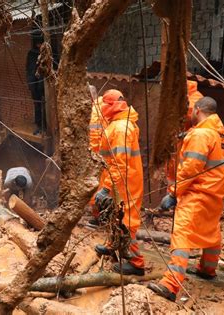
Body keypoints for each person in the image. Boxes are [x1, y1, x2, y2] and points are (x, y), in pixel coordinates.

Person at [148, 97, 224, 302]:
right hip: (215, 192)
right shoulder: (222, 133)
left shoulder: (201, 134)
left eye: (192, 110)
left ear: (198, 109)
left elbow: (190, 170)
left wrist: (173, 193)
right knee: (211, 230)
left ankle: (171, 284)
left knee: (182, 234)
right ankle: (207, 269)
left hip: (198, 193)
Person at [94, 89, 145, 276]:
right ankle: (111, 244)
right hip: (124, 181)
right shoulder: (122, 124)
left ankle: (137, 263)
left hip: (124, 184)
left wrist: (106, 187)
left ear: (111, 106)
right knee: (116, 216)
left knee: (126, 222)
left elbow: (119, 163)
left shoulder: (120, 128)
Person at [166, 80, 205, 188]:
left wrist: (186, 133)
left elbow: (201, 125)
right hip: (180, 141)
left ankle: (174, 193)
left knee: (185, 169)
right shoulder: (180, 98)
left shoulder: (194, 101)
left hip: (188, 141)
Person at [88, 85, 108, 226]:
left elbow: (94, 139)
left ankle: (98, 218)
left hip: (99, 157)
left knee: (97, 189)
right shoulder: (104, 107)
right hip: (106, 156)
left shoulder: (95, 113)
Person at [26, 30, 45, 135]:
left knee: (44, 106)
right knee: (37, 106)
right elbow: (29, 70)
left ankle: (44, 127)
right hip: (35, 85)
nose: (39, 45)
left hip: (43, 85)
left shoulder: (46, 52)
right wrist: (31, 85)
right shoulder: (32, 54)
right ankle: (39, 126)